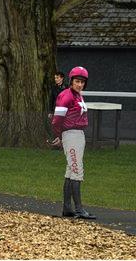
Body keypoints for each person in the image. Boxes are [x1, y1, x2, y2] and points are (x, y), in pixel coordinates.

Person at [51, 66, 96, 220]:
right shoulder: (67, 96)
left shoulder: (77, 96)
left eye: (82, 82)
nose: (80, 85)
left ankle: (67, 208)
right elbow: (57, 120)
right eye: (77, 81)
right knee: (77, 170)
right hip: (71, 134)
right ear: (71, 81)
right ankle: (79, 209)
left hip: (77, 135)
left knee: (71, 170)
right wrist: (60, 135)